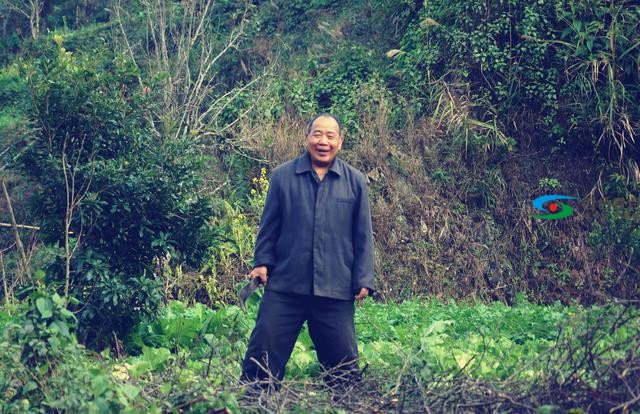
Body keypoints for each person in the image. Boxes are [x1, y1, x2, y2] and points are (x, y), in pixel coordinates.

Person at [239, 113, 375, 393]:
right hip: (286, 285)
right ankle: (254, 404)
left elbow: (362, 234)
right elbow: (269, 227)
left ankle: (345, 406)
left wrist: (363, 278)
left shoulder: (355, 182)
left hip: (335, 289)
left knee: (344, 368)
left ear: (340, 141)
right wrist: (262, 262)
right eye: (317, 134)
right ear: (307, 138)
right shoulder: (282, 177)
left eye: (330, 136)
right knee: (263, 350)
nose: (322, 141)